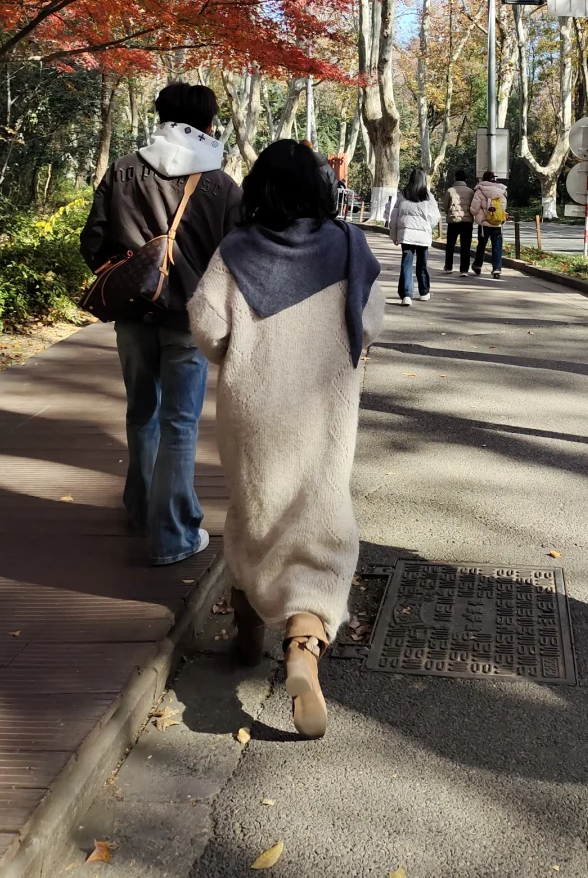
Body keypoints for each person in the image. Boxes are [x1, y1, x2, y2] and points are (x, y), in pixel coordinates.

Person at [188, 139, 384, 738]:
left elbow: (207, 327)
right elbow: (372, 322)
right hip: (325, 406)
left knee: (255, 509)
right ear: (322, 186)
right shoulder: (349, 245)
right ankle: (304, 641)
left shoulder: (235, 251)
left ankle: (248, 635)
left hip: (254, 405)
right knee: (321, 509)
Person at [80, 82, 241, 566]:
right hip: (188, 318)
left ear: (161, 115)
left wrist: (123, 274)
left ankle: (140, 508)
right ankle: (172, 534)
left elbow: (93, 240)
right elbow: (234, 257)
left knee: (140, 412)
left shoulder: (124, 168)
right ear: (208, 125)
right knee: (180, 424)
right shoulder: (220, 183)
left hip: (131, 313)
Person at [388, 167, 441, 306]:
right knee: (422, 264)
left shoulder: (403, 195)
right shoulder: (428, 197)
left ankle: (406, 295)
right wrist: (427, 226)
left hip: (406, 235)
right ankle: (424, 292)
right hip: (423, 236)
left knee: (406, 263)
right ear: (423, 179)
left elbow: (394, 217)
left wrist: (394, 235)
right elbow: (435, 216)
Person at [471, 170, 507, 278]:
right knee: (497, 246)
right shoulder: (501, 190)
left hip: (484, 224)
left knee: (481, 245)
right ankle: (497, 268)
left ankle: (477, 265)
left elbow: (474, 208)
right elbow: (504, 206)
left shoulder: (479, 190)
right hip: (497, 223)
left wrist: (476, 213)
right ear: (494, 179)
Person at [441, 169, 475, 274]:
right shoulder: (470, 191)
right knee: (466, 246)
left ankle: (448, 266)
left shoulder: (450, 190)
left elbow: (445, 205)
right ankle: (464, 270)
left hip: (453, 221)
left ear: (455, 178)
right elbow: (473, 206)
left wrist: (450, 213)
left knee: (450, 245)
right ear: (465, 179)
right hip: (467, 221)